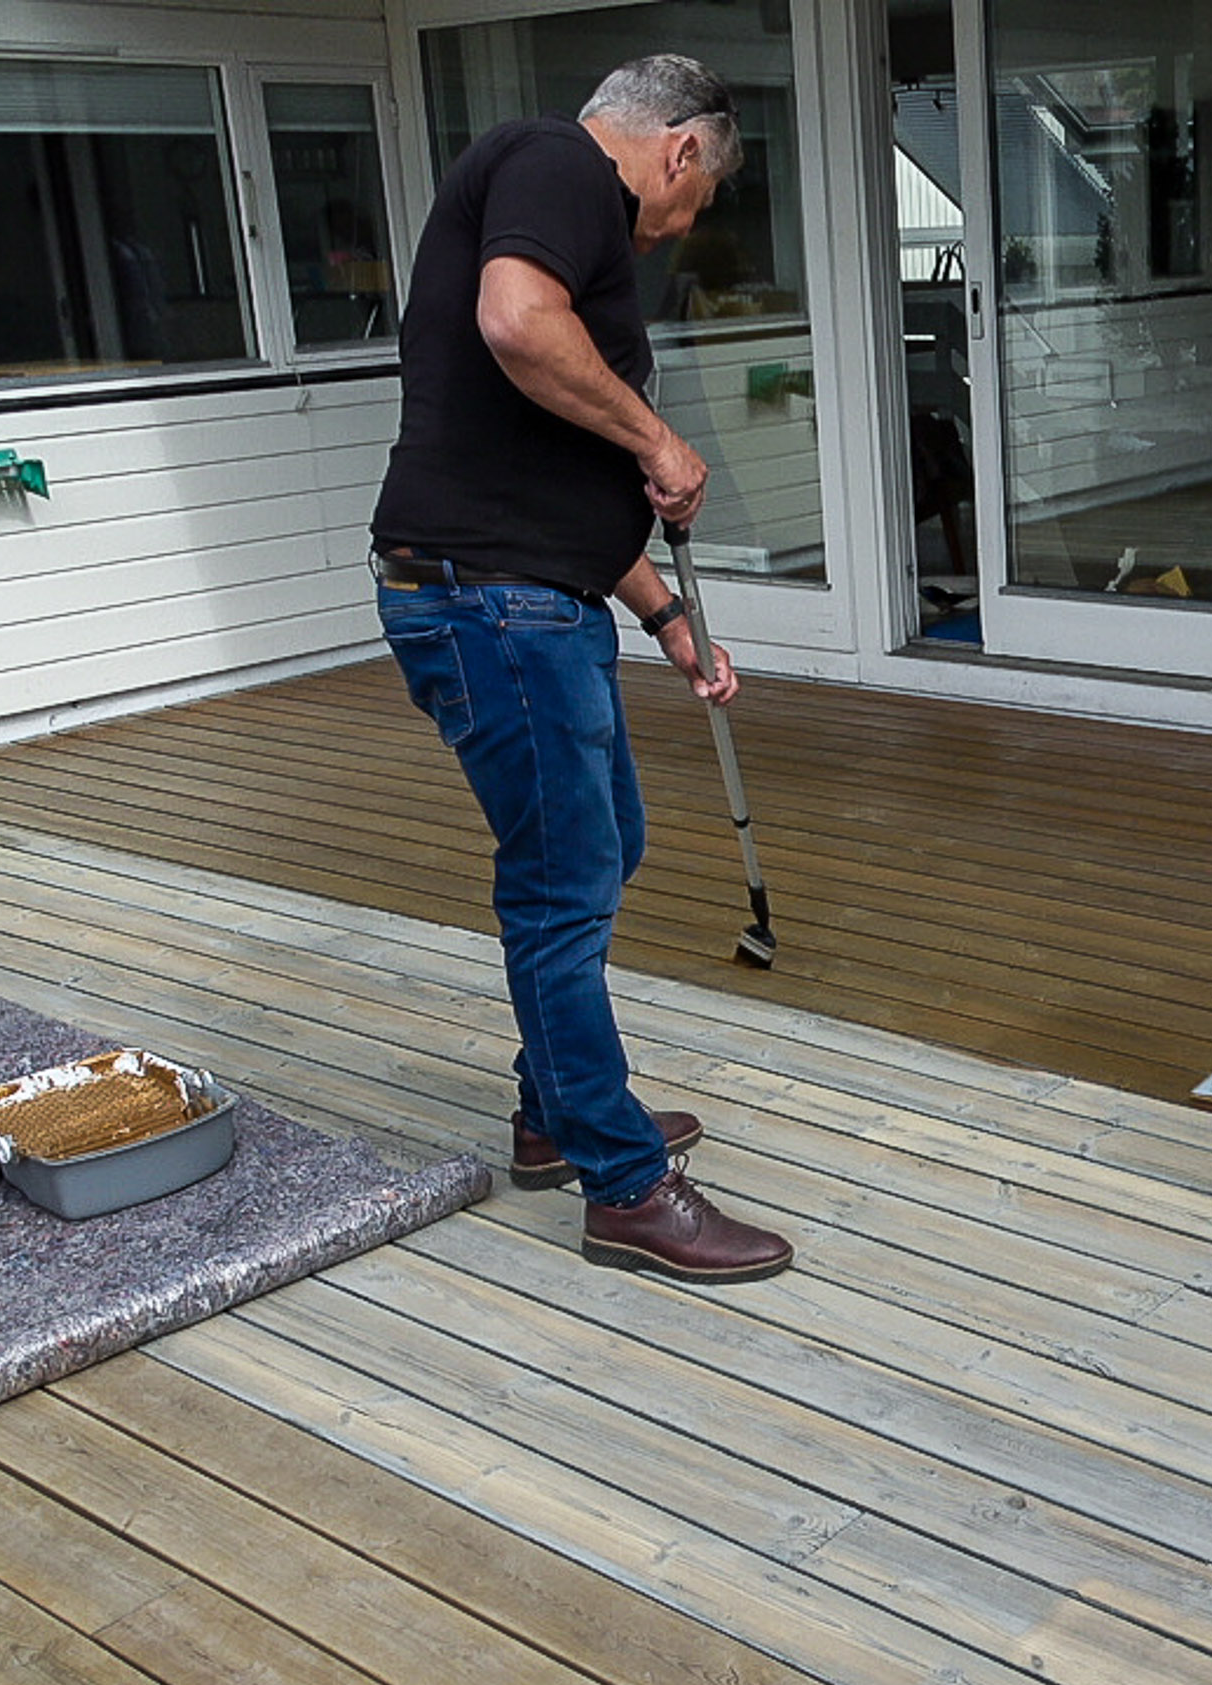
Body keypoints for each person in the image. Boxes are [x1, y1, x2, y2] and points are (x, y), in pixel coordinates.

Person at [368, 54, 794, 1283]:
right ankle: (625, 1185)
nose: (683, 226)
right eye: (698, 200)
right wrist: (660, 437)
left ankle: (554, 1108)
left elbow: (545, 472)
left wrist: (667, 616)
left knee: (602, 844)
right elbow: (516, 323)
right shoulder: (560, 163)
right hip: (494, 607)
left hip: (514, 593)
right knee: (562, 886)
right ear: (679, 152)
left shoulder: (549, 191)